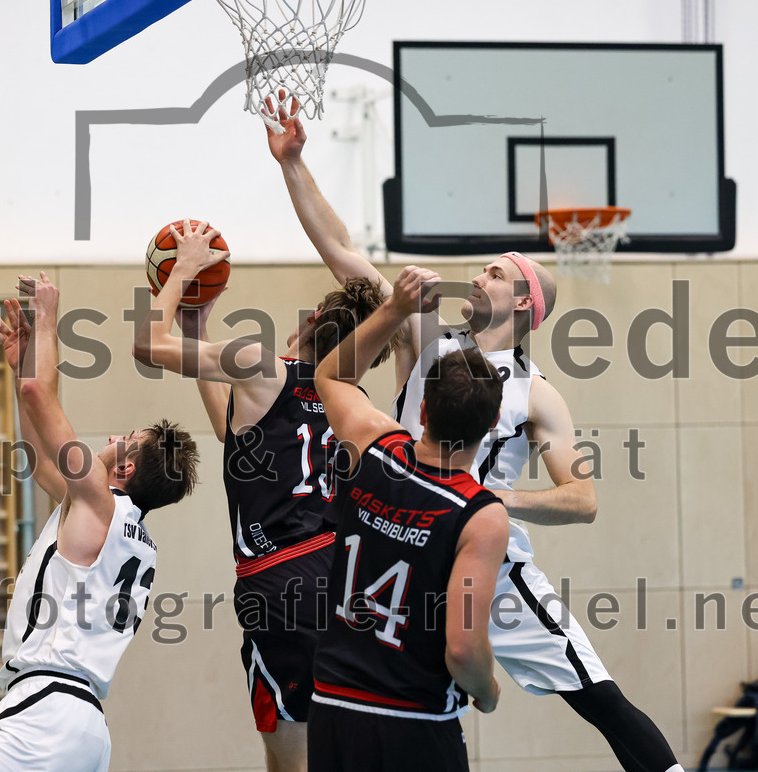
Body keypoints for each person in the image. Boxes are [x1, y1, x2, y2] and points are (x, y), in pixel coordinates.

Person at [266, 99, 684, 772]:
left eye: (496, 269)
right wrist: (294, 164)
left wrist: (489, 504)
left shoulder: (537, 392)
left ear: (524, 303)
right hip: (399, 541)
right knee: (368, 698)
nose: (479, 272)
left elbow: (583, 498)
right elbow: (343, 250)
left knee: (598, 695)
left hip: (488, 559)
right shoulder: (425, 333)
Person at [133, 221, 394, 772]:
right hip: (346, 583)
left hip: (278, 581)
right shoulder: (361, 410)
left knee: (288, 756)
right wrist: (198, 325)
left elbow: (147, 345)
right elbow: (235, 440)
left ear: (310, 323)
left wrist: (182, 270)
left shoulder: (260, 366)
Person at [0, 273, 199, 772]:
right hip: (84, 723)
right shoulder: (116, 524)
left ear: (126, 469)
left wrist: (47, 317)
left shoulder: (98, 502)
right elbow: (41, 461)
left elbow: (37, 393)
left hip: (45, 714)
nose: (112, 436)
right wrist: (22, 362)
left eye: (124, 437)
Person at [308, 265, 509, 772]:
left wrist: (396, 306)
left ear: (423, 409)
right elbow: (463, 649)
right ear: (490, 427)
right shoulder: (478, 512)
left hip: (332, 704)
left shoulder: (371, 444)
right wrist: (488, 692)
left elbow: (330, 374)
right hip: (413, 718)